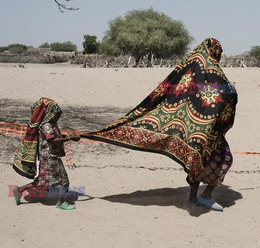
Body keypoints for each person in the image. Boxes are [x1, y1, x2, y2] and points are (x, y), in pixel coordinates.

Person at [84, 38, 238, 211]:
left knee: (197, 157)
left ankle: (193, 199)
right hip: (206, 127)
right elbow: (225, 91)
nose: (220, 54)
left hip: (189, 125)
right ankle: (205, 196)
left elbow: (166, 89)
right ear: (215, 50)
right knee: (223, 157)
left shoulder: (188, 65)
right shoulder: (212, 69)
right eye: (220, 50)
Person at [11, 97, 80, 210]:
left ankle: (19, 190)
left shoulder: (50, 124)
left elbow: (54, 137)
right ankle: (60, 203)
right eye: (54, 111)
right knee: (63, 180)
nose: (56, 114)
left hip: (48, 157)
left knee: (43, 182)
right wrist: (69, 138)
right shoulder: (46, 125)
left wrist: (70, 137)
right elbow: (51, 140)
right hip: (50, 157)